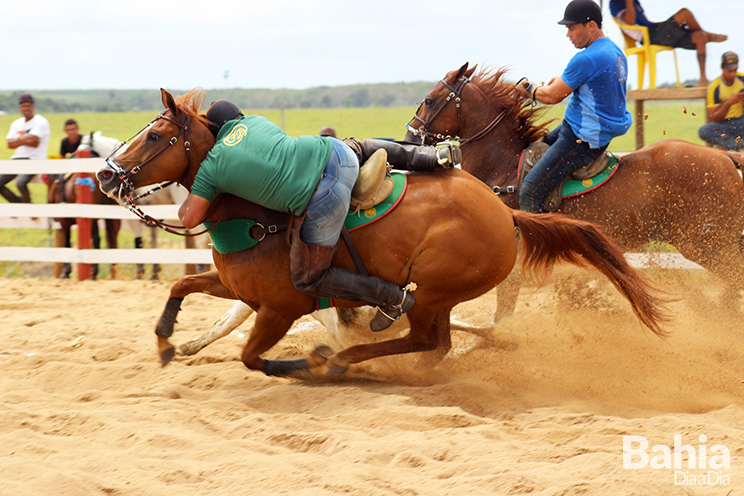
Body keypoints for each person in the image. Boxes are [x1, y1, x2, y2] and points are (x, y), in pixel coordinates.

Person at [180, 101, 460, 332]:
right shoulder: (258, 121)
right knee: (362, 145)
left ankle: (392, 298)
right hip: (337, 151)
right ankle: (433, 157)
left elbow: (190, 219)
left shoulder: (215, 161)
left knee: (308, 278)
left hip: (327, 188)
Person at [515, 0, 632, 214]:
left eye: (571, 28)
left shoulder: (586, 58)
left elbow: (550, 97)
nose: (568, 34)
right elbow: (592, 82)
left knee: (530, 190)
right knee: (533, 150)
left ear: (591, 26)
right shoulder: (614, 51)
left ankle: (536, 244)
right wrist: (560, 81)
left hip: (581, 140)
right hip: (583, 130)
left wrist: (530, 89)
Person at [610, 0, 727, 86]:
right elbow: (630, 21)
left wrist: (664, 24)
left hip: (657, 32)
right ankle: (709, 36)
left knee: (699, 37)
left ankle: (703, 79)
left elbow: (646, 22)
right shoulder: (615, 3)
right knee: (685, 13)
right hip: (649, 37)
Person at [1, 93, 51, 204]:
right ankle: (18, 203)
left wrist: (17, 138)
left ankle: (30, 208)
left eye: (28, 106)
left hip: (34, 159)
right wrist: (26, 140)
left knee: (21, 184)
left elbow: (34, 141)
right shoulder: (16, 123)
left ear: (33, 107)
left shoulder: (40, 121)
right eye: (23, 106)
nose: (26, 108)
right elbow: (9, 144)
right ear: (20, 108)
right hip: (17, 158)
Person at [698, 52, 744, 151]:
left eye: (735, 70)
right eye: (730, 71)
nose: (733, 74)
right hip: (724, 125)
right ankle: (735, 144)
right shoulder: (714, 87)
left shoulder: (742, 79)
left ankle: (730, 144)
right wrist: (728, 103)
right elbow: (714, 118)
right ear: (722, 68)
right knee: (704, 130)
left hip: (741, 121)